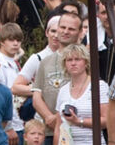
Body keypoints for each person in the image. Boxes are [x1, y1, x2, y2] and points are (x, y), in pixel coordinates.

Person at [31, 11, 83, 142]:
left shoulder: (85, 60)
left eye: (71, 29)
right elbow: (37, 96)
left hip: (77, 131)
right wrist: (49, 118)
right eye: (63, 27)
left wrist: (61, 118)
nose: (65, 31)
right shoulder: (45, 61)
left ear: (80, 32)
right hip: (49, 131)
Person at [53, 44, 108, 145]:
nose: (73, 63)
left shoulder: (99, 86)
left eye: (77, 59)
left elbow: (107, 120)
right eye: (69, 60)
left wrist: (78, 121)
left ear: (86, 62)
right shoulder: (63, 90)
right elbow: (58, 127)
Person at [13, 15, 61, 122]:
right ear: (46, 33)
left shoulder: (71, 57)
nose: (56, 35)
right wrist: (40, 88)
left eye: (59, 31)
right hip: (41, 119)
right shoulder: (37, 58)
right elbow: (16, 87)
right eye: (53, 31)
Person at [0, 22, 25, 145]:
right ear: (2, 41)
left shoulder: (13, 61)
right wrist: (7, 127)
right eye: (11, 40)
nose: (15, 44)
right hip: (8, 126)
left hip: (18, 122)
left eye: (18, 40)